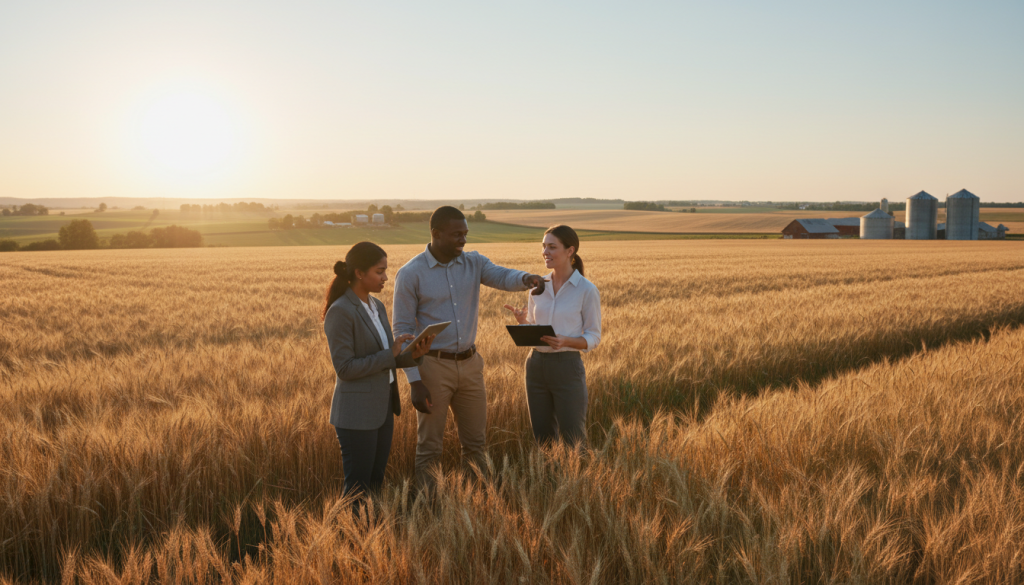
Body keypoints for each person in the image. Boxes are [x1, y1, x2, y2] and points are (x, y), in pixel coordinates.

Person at [392, 206, 546, 488]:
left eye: (465, 234)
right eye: (456, 235)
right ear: (436, 234)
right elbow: (401, 332)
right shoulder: (411, 273)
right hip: (432, 368)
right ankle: (428, 509)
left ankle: (476, 507)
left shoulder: (474, 263)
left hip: (471, 365)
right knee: (430, 447)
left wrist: (526, 279)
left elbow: (501, 275)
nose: (463, 240)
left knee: (476, 444)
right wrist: (415, 381)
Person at [323, 241, 435, 504]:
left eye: (386, 270)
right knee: (357, 488)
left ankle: (368, 536)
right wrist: (392, 354)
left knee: (375, 483)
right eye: (379, 271)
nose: (386, 277)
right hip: (356, 413)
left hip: (383, 408)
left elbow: (388, 358)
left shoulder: (377, 306)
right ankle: (348, 540)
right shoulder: (340, 311)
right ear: (359, 273)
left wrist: (413, 355)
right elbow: (345, 368)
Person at [504, 225, 601, 447]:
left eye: (552, 247)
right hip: (535, 365)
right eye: (543, 246)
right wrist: (523, 323)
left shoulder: (586, 290)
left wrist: (566, 341)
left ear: (570, 251)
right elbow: (538, 329)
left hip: (567, 367)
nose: (545, 252)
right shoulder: (538, 287)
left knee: (574, 440)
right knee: (543, 439)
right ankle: (550, 481)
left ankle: (577, 480)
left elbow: (594, 336)